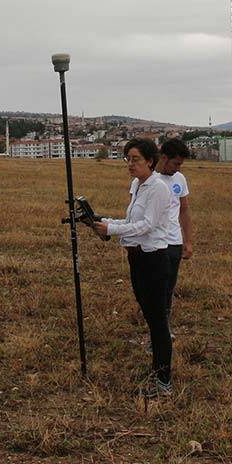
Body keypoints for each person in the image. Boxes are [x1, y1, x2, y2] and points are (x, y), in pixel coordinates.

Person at [91, 139, 175, 397]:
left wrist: (112, 229)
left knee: (158, 321)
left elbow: (147, 225)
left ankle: (163, 382)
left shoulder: (158, 188)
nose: (130, 164)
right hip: (136, 257)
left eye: (136, 159)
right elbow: (132, 222)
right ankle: (156, 371)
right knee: (149, 315)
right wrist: (103, 222)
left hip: (155, 259)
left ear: (150, 161)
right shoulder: (138, 186)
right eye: (128, 158)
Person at [156, 139, 193, 319]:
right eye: (176, 163)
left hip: (174, 243)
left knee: (168, 288)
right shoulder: (148, 179)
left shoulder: (180, 179)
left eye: (181, 164)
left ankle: (163, 326)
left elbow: (184, 209)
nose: (178, 168)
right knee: (155, 288)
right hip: (154, 243)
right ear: (163, 158)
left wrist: (188, 241)